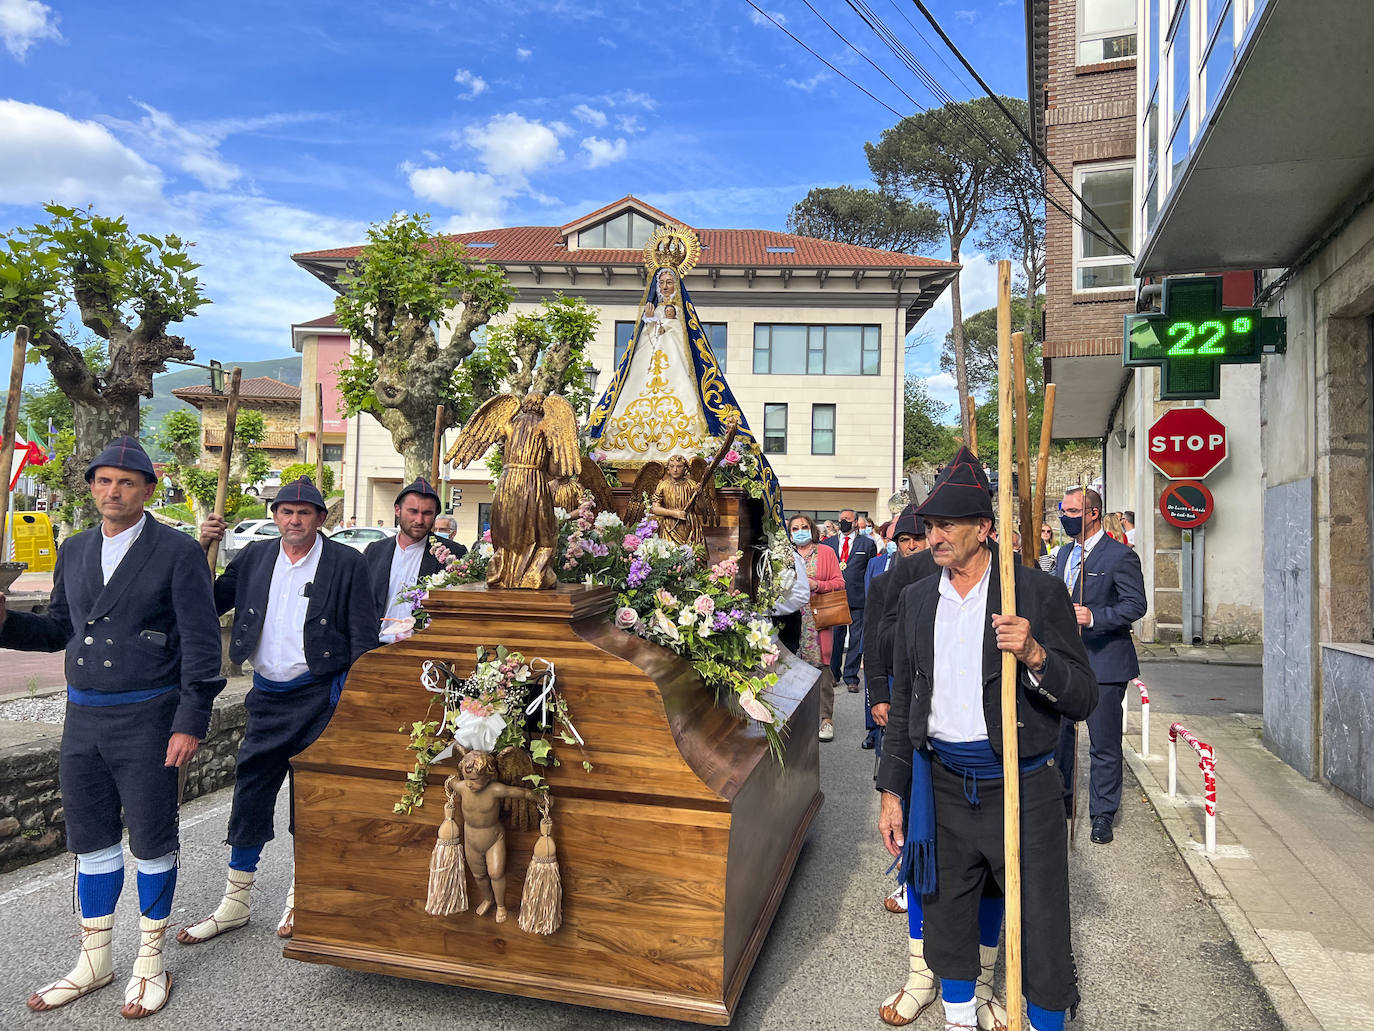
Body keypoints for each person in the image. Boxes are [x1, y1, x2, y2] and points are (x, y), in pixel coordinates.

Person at [0, 436, 225, 1018]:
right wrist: (4, 619)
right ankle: (95, 960)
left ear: (148, 489)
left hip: (150, 716)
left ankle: (149, 960)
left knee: (151, 838)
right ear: (92, 486)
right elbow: (55, 630)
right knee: (90, 838)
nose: (113, 490)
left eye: (126, 481)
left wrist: (190, 719)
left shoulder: (176, 552)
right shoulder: (73, 549)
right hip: (84, 717)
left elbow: (202, 647)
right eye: (103, 480)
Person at [877, 449, 1098, 1031]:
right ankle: (957, 1018)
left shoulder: (1035, 594)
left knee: (1041, 923)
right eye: (930, 525)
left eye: (949, 524)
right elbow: (905, 703)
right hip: (946, 785)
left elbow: (1084, 697)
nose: (936, 535)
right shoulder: (918, 598)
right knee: (948, 916)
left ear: (985, 528)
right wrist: (892, 790)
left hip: (1022, 788)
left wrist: (1035, 655)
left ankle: (1045, 1021)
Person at [184, 476, 378, 945]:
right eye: (286, 512)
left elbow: (363, 639)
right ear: (275, 517)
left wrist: (350, 703)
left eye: (304, 512)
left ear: (320, 518)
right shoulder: (253, 557)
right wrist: (199, 549)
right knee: (251, 790)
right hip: (267, 696)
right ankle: (236, 900)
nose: (294, 520)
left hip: (321, 696)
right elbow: (205, 603)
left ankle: (303, 894)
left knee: (309, 799)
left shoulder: (346, 562)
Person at [1052, 487, 1148, 845]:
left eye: (1073, 510)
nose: (1066, 516)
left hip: (1105, 662)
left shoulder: (1120, 555)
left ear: (1092, 513)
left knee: (1103, 744)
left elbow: (1136, 605)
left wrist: (1095, 616)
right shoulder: (1063, 554)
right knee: (1060, 737)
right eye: (1064, 510)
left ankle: (1102, 813)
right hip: (1063, 662)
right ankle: (1061, 802)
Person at [364, 478, 461, 644]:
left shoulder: (453, 553)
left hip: (424, 649)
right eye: (413, 511)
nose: (419, 520)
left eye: (427, 513)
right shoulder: (375, 551)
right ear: (397, 510)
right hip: (374, 648)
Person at [788, 513, 843, 742]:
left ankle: (825, 719)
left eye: (804, 527)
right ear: (789, 534)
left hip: (817, 620)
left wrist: (816, 584)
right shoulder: (786, 556)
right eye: (794, 528)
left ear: (812, 529)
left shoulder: (826, 552)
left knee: (822, 670)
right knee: (792, 670)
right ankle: (798, 720)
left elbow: (839, 583)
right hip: (791, 620)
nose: (800, 531)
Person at [824, 508, 877, 694]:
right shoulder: (829, 543)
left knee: (855, 639)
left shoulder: (868, 544)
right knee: (835, 639)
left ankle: (851, 677)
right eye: (841, 519)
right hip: (835, 597)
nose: (844, 522)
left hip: (858, 598)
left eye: (847, 519)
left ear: (855, 522)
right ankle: (833, 674)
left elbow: (870, 571)